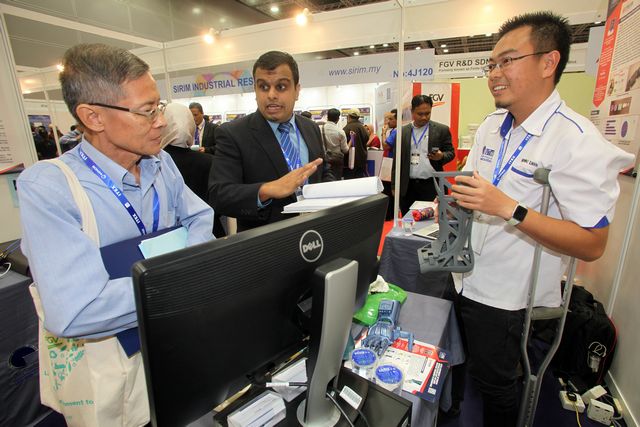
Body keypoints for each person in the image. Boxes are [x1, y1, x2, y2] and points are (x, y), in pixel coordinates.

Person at [450, 12, 634, 427]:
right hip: (465, 275)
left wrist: (510, 209)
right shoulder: (492, 127)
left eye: (508, 61)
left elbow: (592, 243)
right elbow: (476, 185)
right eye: (491, 64)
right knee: (472, 367)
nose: (494, 73)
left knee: (497, 387)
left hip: (509, 296)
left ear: (549, 62)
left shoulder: (576, 140)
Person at [17, 43, 214, 426]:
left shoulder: (162, 163)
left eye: (159, 107)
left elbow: (200, 219)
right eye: (146, 111)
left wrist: (177, 277)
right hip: (113, 373)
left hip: (178, 346)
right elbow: (75, 310)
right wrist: (181, 282)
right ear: (93, 116)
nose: (161, 122)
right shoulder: (50, 187)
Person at [209, 50, 333, 232]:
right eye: (264, 87)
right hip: (268, 241)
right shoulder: (233, 134)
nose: (271, 95)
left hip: (316, 234)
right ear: (255, 90)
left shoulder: (310, 127)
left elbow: (323, 171)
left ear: (297, 90)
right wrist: (267, 190)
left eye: (281, 87)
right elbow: (219, 195)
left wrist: (334, 192)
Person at [161, 103, 227, 238]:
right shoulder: (209, 161)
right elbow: (220, 201)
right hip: (210, 231)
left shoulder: (156, 163)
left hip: (170, 236)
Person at [394, 95, 455, 214]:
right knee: (408, 219)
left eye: (427, 113)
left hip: (432, 186)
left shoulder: (441, 130)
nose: (424, 117)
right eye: (420, 114)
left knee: (433, 220)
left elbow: (451, 153)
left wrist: (441, 156)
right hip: (408, 187)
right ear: (412, 111)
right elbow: (397, 160)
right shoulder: (402, 132)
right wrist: (394, 185)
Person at [320, 108, 349, 179]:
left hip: (324, 159)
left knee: (326, 179)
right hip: (337, 161)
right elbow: (345, 150)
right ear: (338, 119)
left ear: (327, 117)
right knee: (336, 180)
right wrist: (351, 141)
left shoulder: (320, 129)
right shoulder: (340, 132)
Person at [342, 109, 369, 179]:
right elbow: (366, 139)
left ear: (348, 116)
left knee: (349, 182)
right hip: (361, 160)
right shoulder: (363, 128)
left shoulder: (346, 128)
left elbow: (343, 145)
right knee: (359, 181)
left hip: (349, 161)